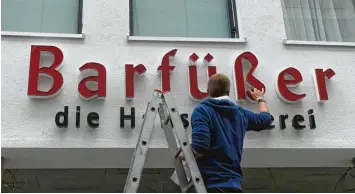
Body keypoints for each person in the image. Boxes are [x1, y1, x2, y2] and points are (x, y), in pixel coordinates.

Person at [179, 73, 274, 193]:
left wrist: (181, 155)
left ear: (208, 91)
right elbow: (265, 119)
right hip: (233, 185)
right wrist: (260, 98)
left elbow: (200, 146)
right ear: (228, 92)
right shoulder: (241, 114)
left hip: (211, 184)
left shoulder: (203, 110)